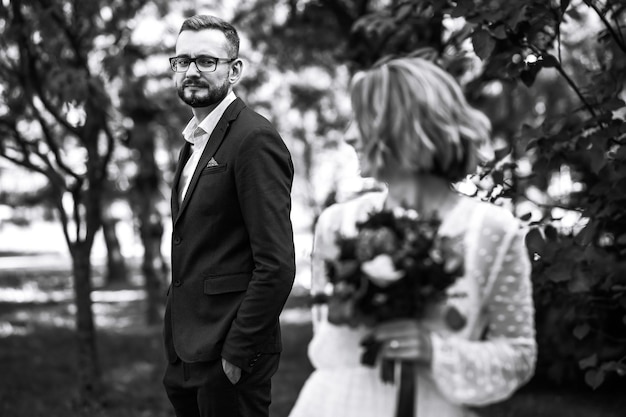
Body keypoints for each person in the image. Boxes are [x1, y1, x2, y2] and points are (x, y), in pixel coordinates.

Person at [288, 56, 536, 417]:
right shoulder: (336, 224)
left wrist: (436, 350)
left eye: (362, 119)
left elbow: (518, 354)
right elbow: (327, 341)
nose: (349, 135)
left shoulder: (491, 229)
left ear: (403, 124)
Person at [162, 15, 296, 417]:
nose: (191, 71)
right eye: (182, 61)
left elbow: (276, 264)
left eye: (206, 61)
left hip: (229, 353)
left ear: (234, 71)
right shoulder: (192, 140)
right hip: (185, 350)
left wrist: (237, 351)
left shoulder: (254, 138)